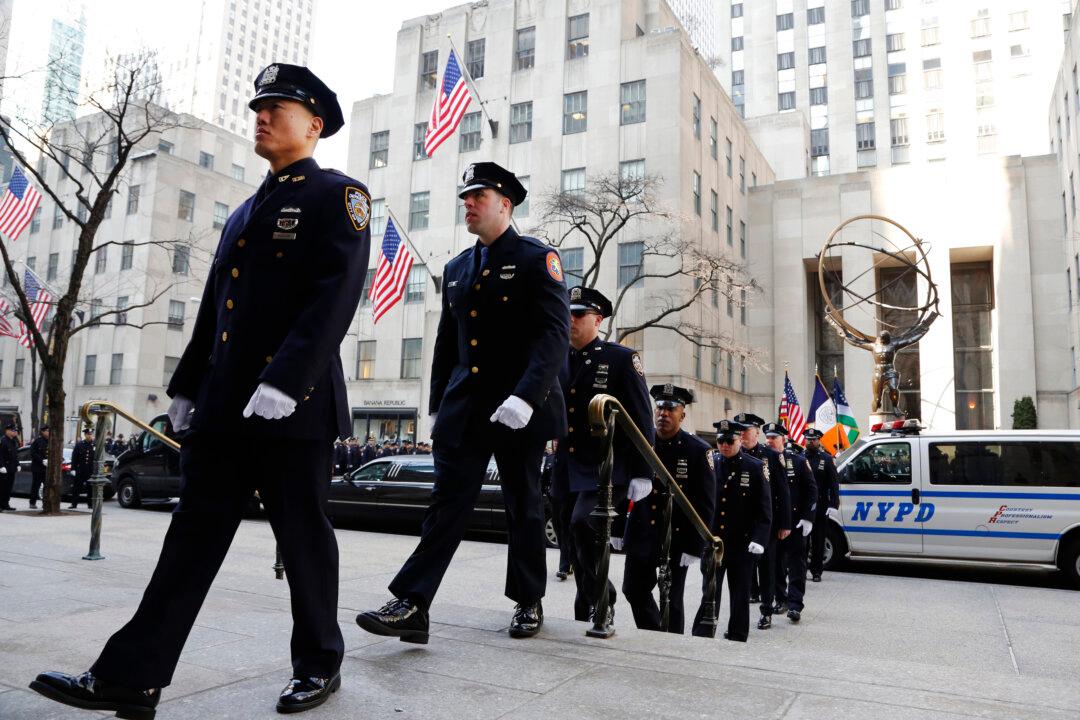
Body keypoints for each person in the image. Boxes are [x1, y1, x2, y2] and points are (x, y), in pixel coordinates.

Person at [31, 63, 369, 717]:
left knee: (302, 537)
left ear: (315, 123)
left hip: (293, 406)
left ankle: (319, 664)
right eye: (259, 106)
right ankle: (133, 675)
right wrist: (187, 385)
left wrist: (287, 378)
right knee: (191, 538)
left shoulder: (339, 195)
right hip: (225, 405)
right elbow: (218, 305)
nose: (262, 115)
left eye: (279, 106)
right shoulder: (247, 208)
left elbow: (336, 296)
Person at [356, 161, 569, 643]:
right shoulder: (457, 268)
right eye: (465, 197)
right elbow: (446, 346)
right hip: (466, 409)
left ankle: (528, 600)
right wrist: (436, 405)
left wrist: (526, 397)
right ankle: (413, 603)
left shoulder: (538, 258)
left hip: (519, 411)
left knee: (523, 504)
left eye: (478, 196)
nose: (468, 204)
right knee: (446, 505)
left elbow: (555, 335)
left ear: (505, 204)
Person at [551, 286, 654, 634]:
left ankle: (601, 599)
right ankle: (591, 599)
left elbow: (642, 417)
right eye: (568, 313)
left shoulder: (621, 359)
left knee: (583, 524)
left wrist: (644, 472)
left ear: (598, 319)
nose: (571, 320)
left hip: (606, 465)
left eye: (579, 314)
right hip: (566, 464)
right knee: (570, 535)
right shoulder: (557, 358)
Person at [622, 384, 716, 634]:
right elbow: (623, 485)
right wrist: (619, 528)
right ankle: (654, 633)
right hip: (641, 532)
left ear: (682, 415)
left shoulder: (698, 450)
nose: (663, 413)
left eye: (671, 409)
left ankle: (674, 646)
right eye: (660, 408)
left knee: (673, 599)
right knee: (633, 589)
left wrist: (696, 545)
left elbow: (706, 503)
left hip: (677, 537)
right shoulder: (641, 442)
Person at [691, 420, 771, 641]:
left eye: (729, 441)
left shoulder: (754, 467)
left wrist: (759, 538)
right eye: (720, 441)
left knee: (740, 595)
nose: (724, 445)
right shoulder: (710, 464)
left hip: (741, 544)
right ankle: (703, 632)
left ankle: (737, 634)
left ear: (740, 440)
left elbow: (764, 508)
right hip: (714, 542)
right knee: (709, 592)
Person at [734, 412, 790, 620]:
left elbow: (783, 493)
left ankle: (766, 610)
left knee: (767, 568)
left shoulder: (772, 457)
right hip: (740, 523)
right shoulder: (733, 455)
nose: (742, 435)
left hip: (766, 523)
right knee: (742, 569)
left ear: (756, 432)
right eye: (739, 431)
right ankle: (743, 607)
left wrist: (785, 523)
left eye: (746, 431)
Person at [762, 423, 816, 625]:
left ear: (783, 439)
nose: (769, 441)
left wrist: (808, 517)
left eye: (774, 437)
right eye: (767, 437)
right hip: (773, 523)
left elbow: (812, 491)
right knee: (774, 564)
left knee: (796, 564)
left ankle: (795, 604)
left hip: (795, 522)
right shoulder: (762, 461)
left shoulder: (799, 461)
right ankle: (780, 598)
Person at [804, 429, 841, 582]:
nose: (810, 442)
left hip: (820, 507)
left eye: (813, 439)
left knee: (818, 541)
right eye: (808, 439)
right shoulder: (799, 457)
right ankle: (800, 569)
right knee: (802, 542)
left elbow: (834, 484)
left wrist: (833, 504)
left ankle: (816, 571)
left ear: (819, 440)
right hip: (803, 507)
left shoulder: (826, 459)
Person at [543, 440, 574, 581]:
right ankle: (569, 559)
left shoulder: (569, 454)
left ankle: (564, 566)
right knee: (558, 527)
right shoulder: (550, 458)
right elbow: (544, 479)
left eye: (557, 441)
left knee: (566, 528)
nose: (555, 443)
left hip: (568, 495)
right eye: (554, 441)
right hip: (554, 496)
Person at [70, 428, 96, 509]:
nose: (90, 436)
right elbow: (74, 458)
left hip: (90, 470)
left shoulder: (94, 445)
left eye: (91, 434)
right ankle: (74, 504)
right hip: (80, 470)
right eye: (88, 434)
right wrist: (73, 469)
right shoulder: (79, 445)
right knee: (76, 488)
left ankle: (90, 504)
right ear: (85, 435)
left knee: (90, 488)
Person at [29, 425, 49, 509]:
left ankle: (45, 503)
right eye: (47, 431)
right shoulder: (37, 441)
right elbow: (33, 453)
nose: (48, 433)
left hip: (47, 468)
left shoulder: (51, 441)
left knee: (47, 486)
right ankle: (32, 502)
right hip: (37, 467)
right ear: (43, 432)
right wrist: (42, 460)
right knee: (36, 485)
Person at [0, 422, 17, 511]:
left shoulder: (13, 441)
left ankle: (5, 504)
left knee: (8, 488)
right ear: (7, 431)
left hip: (11, 468)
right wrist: (1, 466)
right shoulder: (2, 441)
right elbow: (0, 455)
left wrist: (17, 464)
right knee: (2, 487)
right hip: (4, 468)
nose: (15, 432)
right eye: (13, 430)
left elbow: (15, 455)